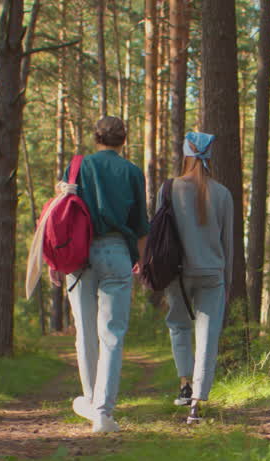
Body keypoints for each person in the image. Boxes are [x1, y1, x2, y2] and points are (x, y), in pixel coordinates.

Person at [64, 116, 149, 433]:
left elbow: (63, 213)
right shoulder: (132, 172)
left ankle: (88, 400)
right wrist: (139, 258)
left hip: (78, 253)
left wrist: (52, 262)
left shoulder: (77, 167)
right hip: (116, 252)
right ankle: (102, 413)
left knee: (84, 332)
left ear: (95, 137)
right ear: (123, 140)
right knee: (112, 334)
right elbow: (141, 222)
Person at [160, 131, 234, 425]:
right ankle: (197, 403)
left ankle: (184, 384)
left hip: (177, 273)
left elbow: (158, 236)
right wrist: (226, 282)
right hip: (212, 274)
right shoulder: (223, 194)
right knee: (208, 336)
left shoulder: (169, 188)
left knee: (178, 327)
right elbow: (228, 244)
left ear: (186, 155)